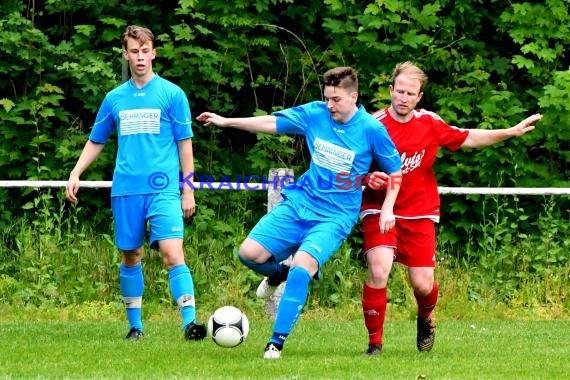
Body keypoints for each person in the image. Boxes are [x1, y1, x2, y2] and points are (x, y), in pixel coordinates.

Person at [197, 66, 403, 359]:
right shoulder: (315, 114)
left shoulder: (371, 130)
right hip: (300, 202)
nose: (330, 105)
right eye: (327, 98)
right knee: (248, 254)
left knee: (301, 269)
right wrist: (227, 121)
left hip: (335, 217)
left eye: (337, 99)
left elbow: (395, 171)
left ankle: (275, 343)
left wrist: (387, 208)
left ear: (354, 96)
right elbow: (272, 122)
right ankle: (277, 273)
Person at [360, 61, 543, 355]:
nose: (403, 98)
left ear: (419, 97)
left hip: (419, 210)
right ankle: (374, 345)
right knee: (379, 270)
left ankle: (426, 316)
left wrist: (509, 131)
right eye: (400, 91)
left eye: (411, 94)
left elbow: (468, 137)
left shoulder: (429, 123)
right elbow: (351, 168)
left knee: (422, 285)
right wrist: (369, 178)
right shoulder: (371, 125)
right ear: (390, 90)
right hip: (379, 210)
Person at [65, 25, 206, 342]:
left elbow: (185, 145)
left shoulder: (172, 94)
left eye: (146, 51)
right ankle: (136, 327)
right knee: (132, 256)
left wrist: (188, 188)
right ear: (126, 54)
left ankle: (190, 323)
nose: (140, 57)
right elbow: (96, 140)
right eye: (134, 51)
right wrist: (76, 173)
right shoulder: (114, 98)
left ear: (153, 53)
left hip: (164, 189)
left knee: (173, 254)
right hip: (126, 190)